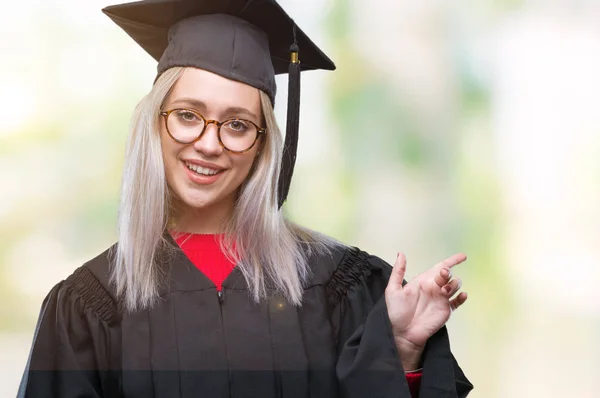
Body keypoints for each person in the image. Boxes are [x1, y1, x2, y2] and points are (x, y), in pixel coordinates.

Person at [19, 0, 473, 397]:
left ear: (262, 145)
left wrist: (403, 355)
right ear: (154, 123)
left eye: (237, 124)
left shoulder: (340, 289)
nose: (209, 143)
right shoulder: (90, 305)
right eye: (187, 115)